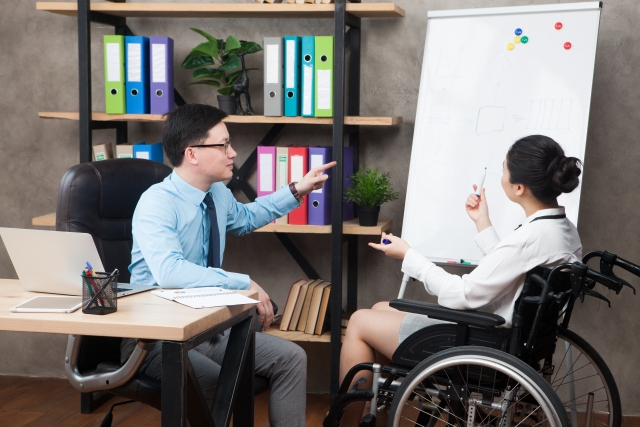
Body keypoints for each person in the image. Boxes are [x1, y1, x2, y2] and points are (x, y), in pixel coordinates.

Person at [339, 134, 583, 425]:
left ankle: (349, 422)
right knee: (381, 308)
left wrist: (410, 256)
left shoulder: (530, 237)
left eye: (504, 170)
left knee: (359, 321)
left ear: (518, 187)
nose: (500, 174)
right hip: (514, 340)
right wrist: (482, 221)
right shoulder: (561, 229)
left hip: (484, 343)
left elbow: (463, 295)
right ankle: (381, 399)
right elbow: (513, 271)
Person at [121, 103, 336, 427]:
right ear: (192, 153)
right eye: (223, 145)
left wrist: (296, 189)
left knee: (291, 358)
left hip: (207, 327)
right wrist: (242, 282)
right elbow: (170, 271)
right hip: (155, 339)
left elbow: (245, 218)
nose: (233, 152)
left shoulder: (216, 193)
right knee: (220, 383)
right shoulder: (158, 202)